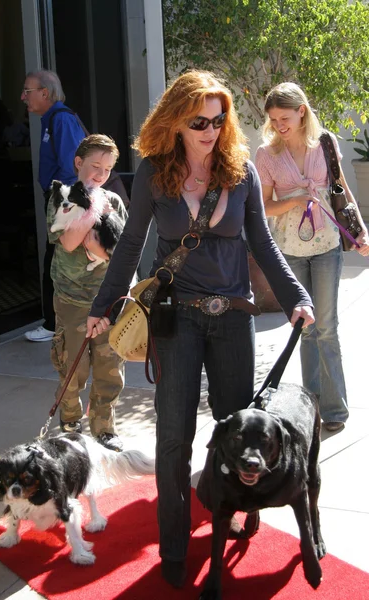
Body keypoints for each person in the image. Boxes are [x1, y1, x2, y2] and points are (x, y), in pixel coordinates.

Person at [86, 70, 314, 588]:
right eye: (199, 121)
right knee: (174, 438)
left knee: (240, 431)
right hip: (177, 319)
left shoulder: (241, 172)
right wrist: (104, 304)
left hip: (233, 317)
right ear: (176, 121)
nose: (211, 130)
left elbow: (264, 244)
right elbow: (128, 246)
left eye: (218, 119)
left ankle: (240, 509)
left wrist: (297, 296)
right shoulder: (152, 173)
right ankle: (173, 545)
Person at [255, 82, 369, 434]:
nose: (278, 125)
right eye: (273, 119)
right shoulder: (266, 154)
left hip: (328, 245)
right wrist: (296, 200)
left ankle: (335, 410)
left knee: (327, 328)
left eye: (284, 117)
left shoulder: (326, 143)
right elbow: (263, 206)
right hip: (290, 248)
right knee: (306, 328)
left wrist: (361, 229)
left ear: (302, 111)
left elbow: (342, 190)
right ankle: (312, 405)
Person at [47, 134, 127, 451]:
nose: (100, 175)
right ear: (78, 163)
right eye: (95, 166)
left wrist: (92, 237)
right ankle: (70, 423)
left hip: (107, 300)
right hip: (72, 299)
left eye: (107, 170)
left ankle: (104, 428)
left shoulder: (115, 202)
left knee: (109, 368)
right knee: (72, 366)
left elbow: (118, 250)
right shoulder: (61, 197)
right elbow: (67, 241)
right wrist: (94, 213)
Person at [22, 69, 88, 342]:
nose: (23, 97)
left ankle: (55, 324)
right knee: (60, 261)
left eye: (28, 91)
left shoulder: (60, 119)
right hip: (59, 198)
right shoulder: (50, 119)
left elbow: (75, 168)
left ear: (45, 93)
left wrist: (64, 207)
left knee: (60, 261)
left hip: (65, 200)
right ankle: (58, 322)